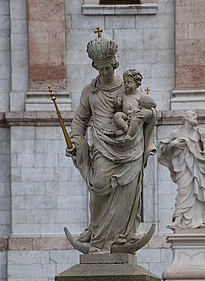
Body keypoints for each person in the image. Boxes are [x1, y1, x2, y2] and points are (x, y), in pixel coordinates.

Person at [66, 35, 156, 253]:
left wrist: (149, 114)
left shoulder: (126, 86)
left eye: (109, 68)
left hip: (129, 146)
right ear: (95, 66)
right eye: (102, 68)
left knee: (127, 190)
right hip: (102, 145)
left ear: (114, 64)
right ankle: (95, 229)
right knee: (98, 185)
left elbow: (148, 107)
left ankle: (122, 236)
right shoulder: (90, 91)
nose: (106, 72)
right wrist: (75, 140)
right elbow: (80, 119)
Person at [157, 109, 205, 231]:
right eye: (193, 115)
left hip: (198, 168)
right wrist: (173, 144)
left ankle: (200, 220)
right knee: (183, 192)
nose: (196, 117)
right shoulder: (175, 133)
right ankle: (178, 220)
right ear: (185, 118)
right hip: (183, 168)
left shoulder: (199, 133)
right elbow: (162, 150)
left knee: (199, 192)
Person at [114, 70, 157, 140]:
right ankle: (125, 128)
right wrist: (116, 103)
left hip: (135, 115)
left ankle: (129, 134)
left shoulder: (139, 95)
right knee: (117, 115)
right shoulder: (122, 94)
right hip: (125, 115)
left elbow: (144, 105)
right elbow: (119, 104)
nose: (126, 84)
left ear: (136, 84)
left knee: (135, 120)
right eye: (125, 82)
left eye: (129, 82)